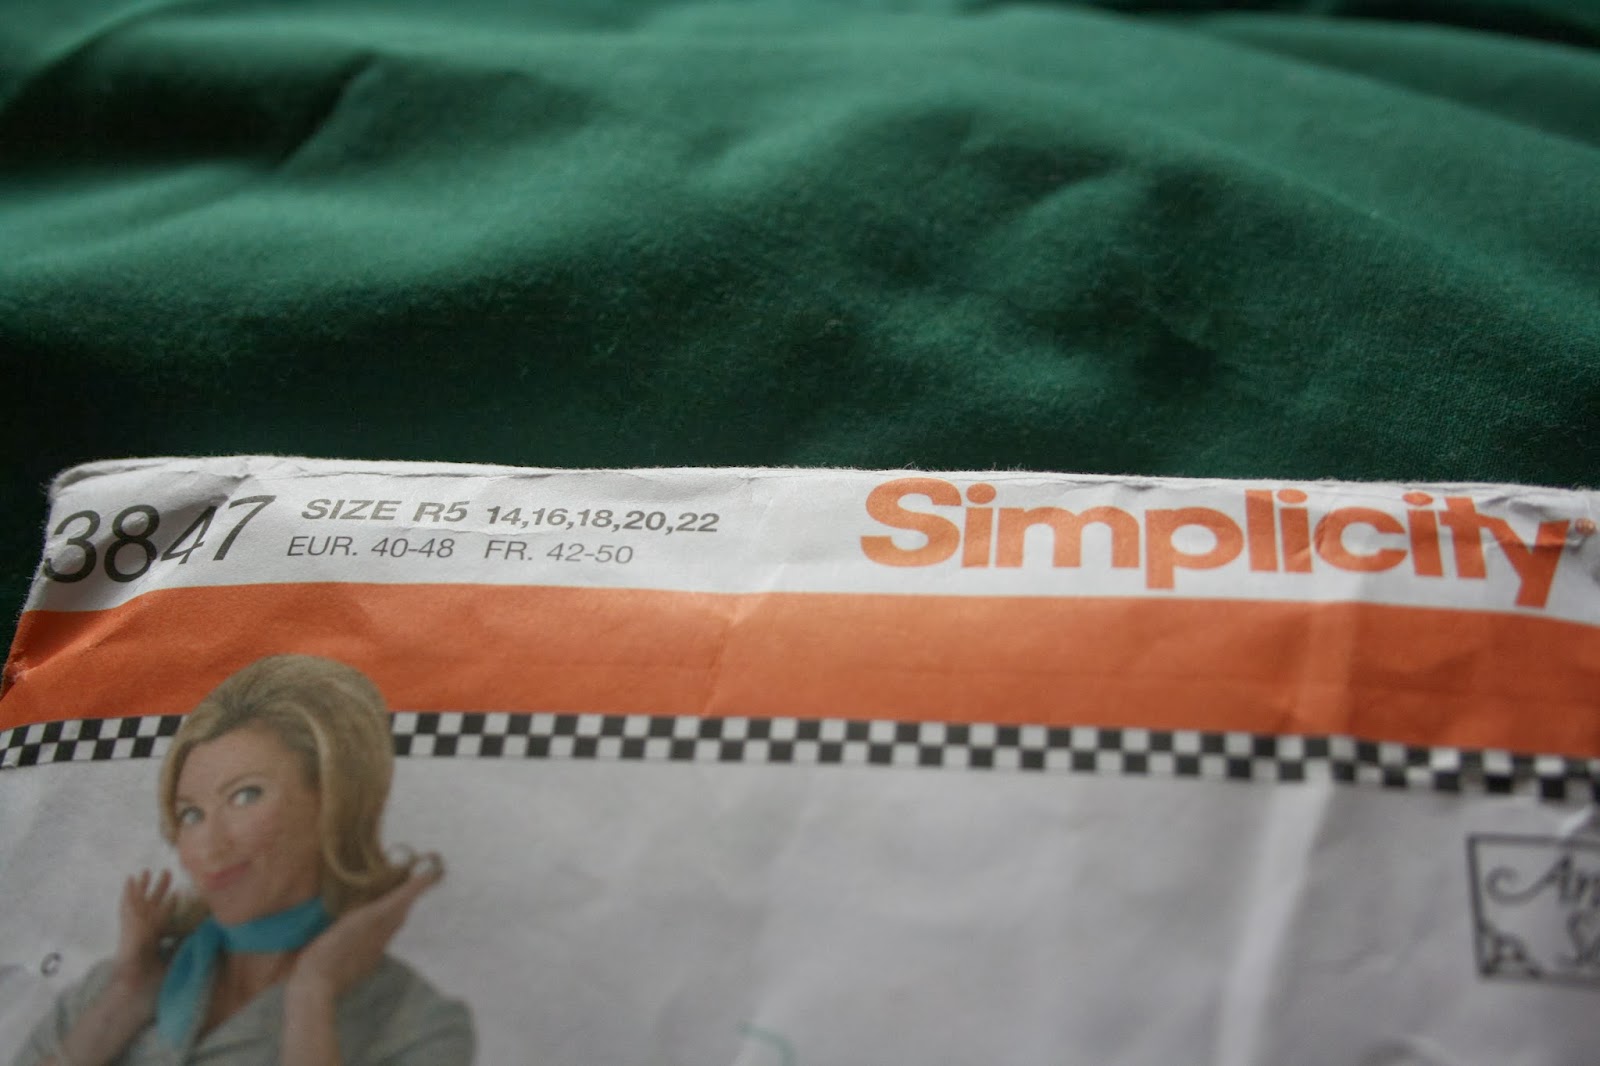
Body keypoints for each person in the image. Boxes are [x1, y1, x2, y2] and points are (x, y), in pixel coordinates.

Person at [11, 655, 475, 1066]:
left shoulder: (417, 1024)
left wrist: (312, 997)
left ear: (336, 799)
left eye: (245, 795)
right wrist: (120, 1006)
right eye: (190, 814)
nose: (209, 846)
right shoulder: (115, 985)